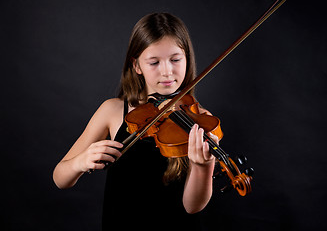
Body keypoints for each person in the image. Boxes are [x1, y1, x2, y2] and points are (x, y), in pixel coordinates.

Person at [53, 12, 219, 230]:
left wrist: (203, 166)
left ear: (187, 59)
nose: (167, 71)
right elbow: (60, 178)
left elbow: (192, 207)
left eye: (175, 59)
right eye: (154, 62)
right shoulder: (112, 111)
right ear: (137, 65)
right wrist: (81, 161)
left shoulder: (200, 121)